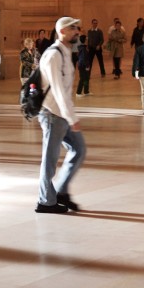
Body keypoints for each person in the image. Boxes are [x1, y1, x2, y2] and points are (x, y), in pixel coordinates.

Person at [36, 17, 86, 213]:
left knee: (79, 149)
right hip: (52, 114)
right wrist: (71, 118)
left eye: (77, 28)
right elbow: (57, 90)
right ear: (62, 31)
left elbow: (65, 90)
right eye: (73, 28)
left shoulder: (66, 52)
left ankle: (61, 191)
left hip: (62, 114)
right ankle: (45, 201)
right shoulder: (53, 55)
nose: (77, 31)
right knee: (49, 160)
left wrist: (70, 115)